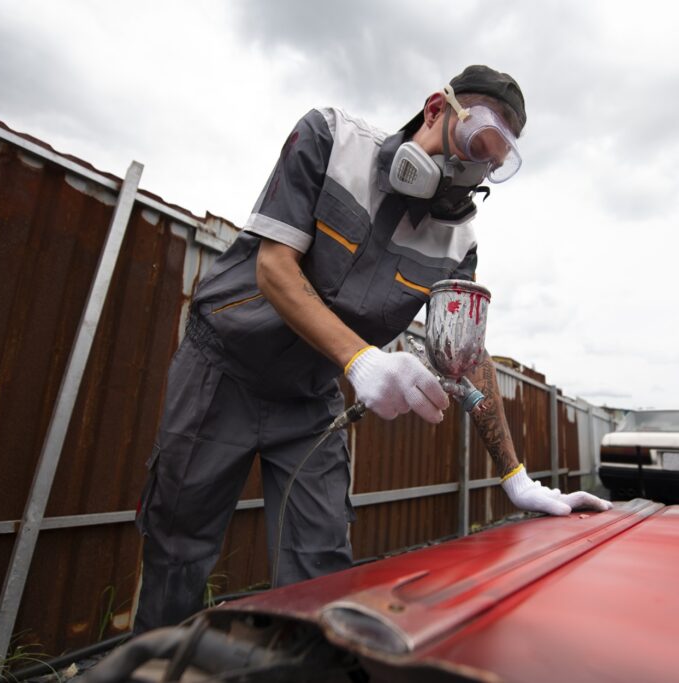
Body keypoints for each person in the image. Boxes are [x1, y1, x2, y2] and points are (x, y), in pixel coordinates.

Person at [133, 65, 611, 633]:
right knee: (177, 550)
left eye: (492, 162)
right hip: (222, 369)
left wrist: (516, 478)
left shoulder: (458, 241)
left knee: (320, 567)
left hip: (309, 400)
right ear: (436, 108)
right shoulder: (330, 139)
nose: (473, 169)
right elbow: (273, 267)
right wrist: (361, 359)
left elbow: (466, 353)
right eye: (472, 143)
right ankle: (156, 661)